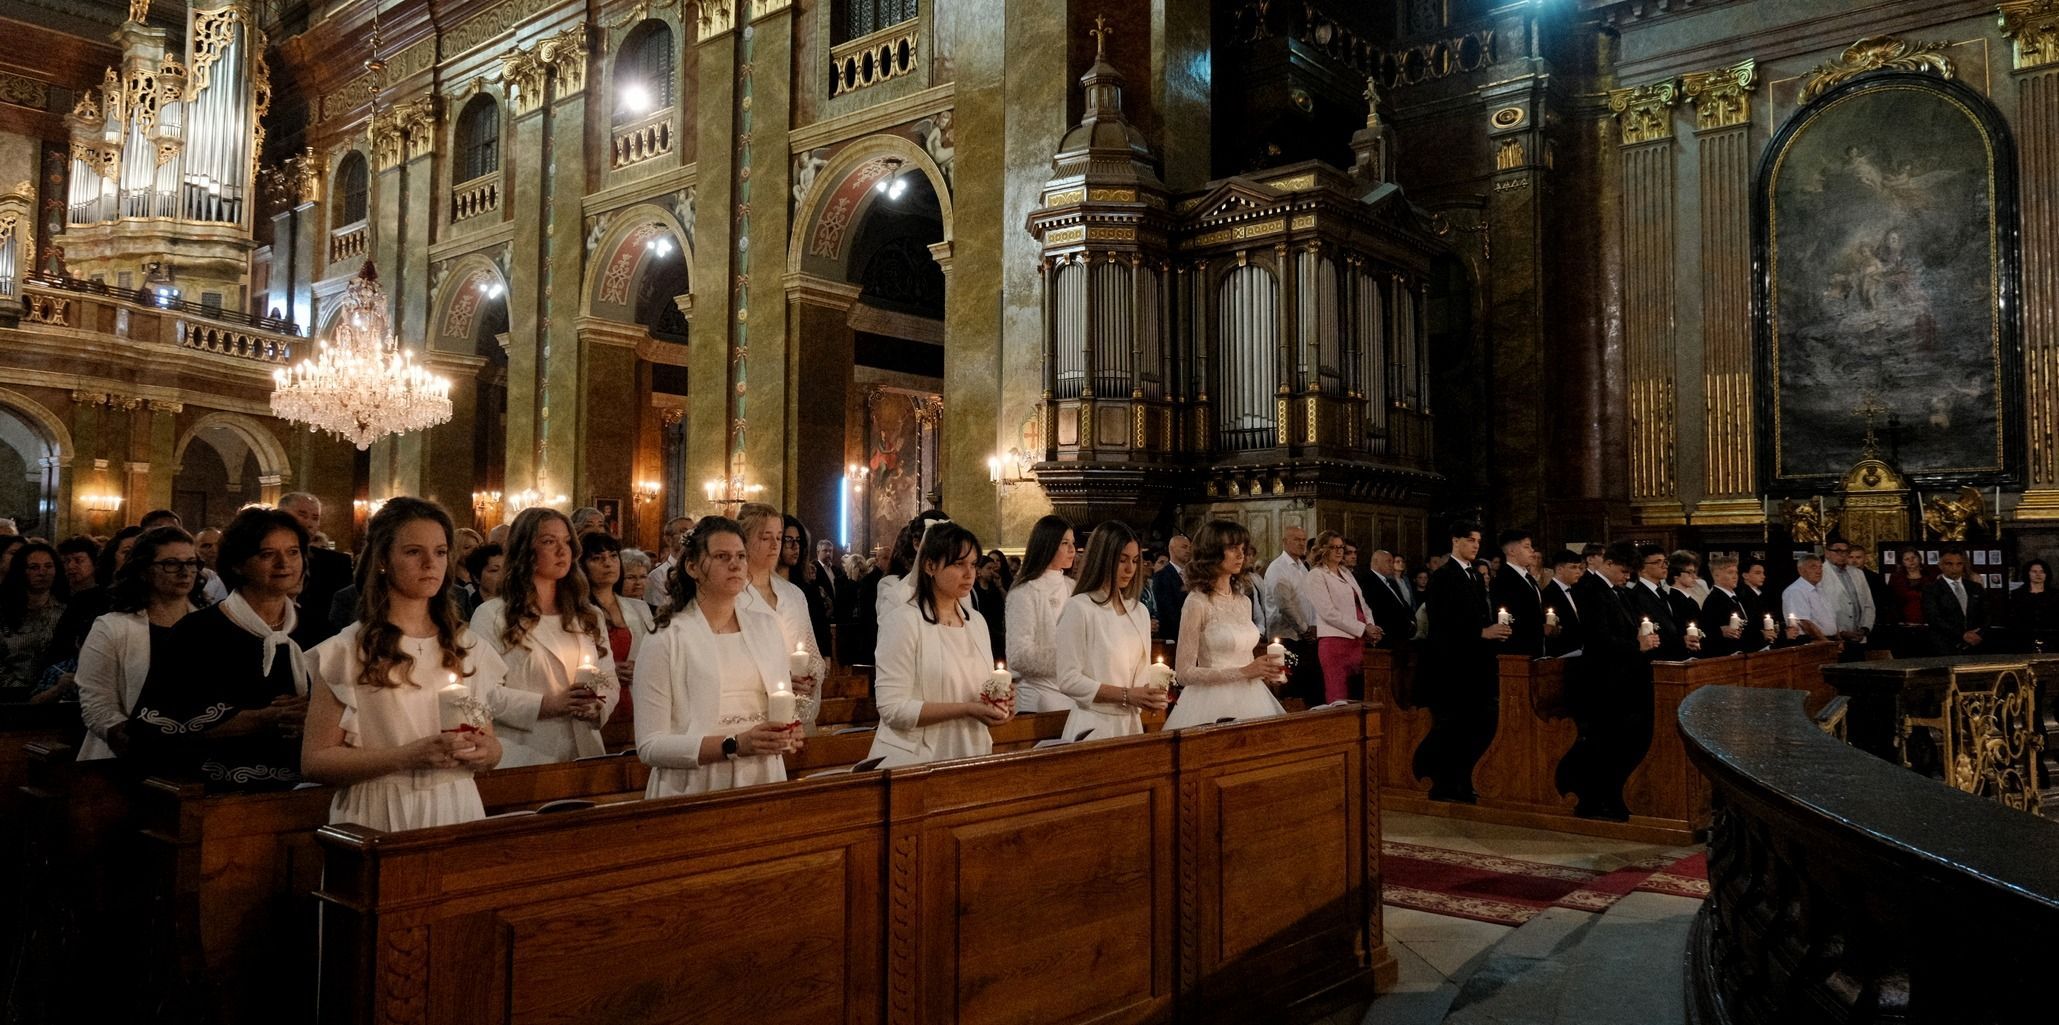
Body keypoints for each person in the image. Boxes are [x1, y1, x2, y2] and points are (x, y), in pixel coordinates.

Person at [302, 498, 505, 831]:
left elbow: (489, 745)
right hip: (378, 810)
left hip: (456, 804)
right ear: (383, 559)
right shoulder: (347, 650)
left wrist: (486, 751)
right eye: (414, 552)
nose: (430, 563)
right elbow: (315, 761)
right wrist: (407, 755)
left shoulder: (469, 646)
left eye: (440, 552)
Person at [126, 507, 312, 791]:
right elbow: (154, 727)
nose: (284, 564)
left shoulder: (318, 629)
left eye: (293, 552)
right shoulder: (198, 632)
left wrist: (314, 715)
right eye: (267, 554)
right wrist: (260, 719)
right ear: (238, 564)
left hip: (310, 786)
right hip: (217, 788)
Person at [632, 516, 803, 796]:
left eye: (740, 556)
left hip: (761, 777)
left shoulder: (766, 627)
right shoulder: (667, 637)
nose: (735, 565)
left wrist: (788, 730)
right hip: (694, 783)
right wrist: (734, 745)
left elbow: (779, 702)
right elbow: (650, 745)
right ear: (692, 567)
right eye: (722, 556)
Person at [470, 508, 615, 766]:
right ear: (525, 550)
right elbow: (483, 692)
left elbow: (608, 677)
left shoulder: (588, 614)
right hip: (524, 752)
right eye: (549, 542)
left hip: (584, 750)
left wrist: (597, 706)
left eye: (567, 542)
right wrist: (547, 704)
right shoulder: (492, 615)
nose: (562, 551)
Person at [867, 521, 1011, 766]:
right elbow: (892, 708)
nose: (970, 574)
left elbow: (980, 688)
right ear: (930, 565)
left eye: (974, 564)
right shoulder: (903, 621)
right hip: (916, 758)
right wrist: (966, 709)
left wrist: (999, 700)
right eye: (958, 564)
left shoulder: (976, 622)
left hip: (970, 750)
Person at [74, 526, 203, 760]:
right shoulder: (113, 627)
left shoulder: (208, 625)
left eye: (191, 563)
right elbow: (96, 701)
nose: (185, 572)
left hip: (196, 750)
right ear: (144, 570)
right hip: (124, 755)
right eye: (171, 563)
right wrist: (124, 734)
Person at [1556, 542, 1662, 821]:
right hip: (1603, 682)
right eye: (1624, 571)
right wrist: (1636, 645)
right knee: (1604, 744)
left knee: (1622, 743)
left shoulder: (1616, 592)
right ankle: (1598, 801)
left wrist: (1645, 637)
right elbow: (1597, 639)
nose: (1627, 577)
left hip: (1625, 679)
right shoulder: (1590, 590)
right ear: (1610, 563)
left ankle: (1618, 796)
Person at [1413, 521, 1510, 802]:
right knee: (1451, 726)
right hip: (1450, 665)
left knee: (1471, 726)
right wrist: (1481, 632)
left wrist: (1495, 629)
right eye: (1470, 540)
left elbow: (1478, 613)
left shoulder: (1475, 576)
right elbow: (1442, 621)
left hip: (1473, 663)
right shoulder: (1443, 576)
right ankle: (1445, 784)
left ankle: (1465, 780)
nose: (1476, 545)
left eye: (1478, 540)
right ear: (1455, 541)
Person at [1054, 523, 1170, 741]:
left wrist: (1151, 695)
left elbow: (1141, 673)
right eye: (1122, 560)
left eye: (1135, 560)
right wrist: (1126, 695)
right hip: (1093, 725)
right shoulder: (1080, 608)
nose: (1130, 569)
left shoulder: (1139, 611)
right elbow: (1068, 679)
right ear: (1103, 558)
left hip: (1130, 725)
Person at [1165, 520, 1286, 729]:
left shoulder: (1243, 601)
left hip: (1252, 695)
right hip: (1210, 700)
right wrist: (1244, 672)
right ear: (1212, 551)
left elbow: (1245, 656)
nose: (1241, 555)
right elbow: (1184, 673)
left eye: (1242, 549)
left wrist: (1265, 671)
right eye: (1232, 548)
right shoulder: (1197, 602)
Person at [735, 504, 825, 726]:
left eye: (778, 536)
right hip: (752, 714)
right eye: (766, 538)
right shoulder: (734, 595)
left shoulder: (792, 594)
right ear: (744, 540)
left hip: (796, 709)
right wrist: (779, 678)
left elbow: (811, 652)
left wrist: (811, 678)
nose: (775, 545)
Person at [1005, 515, 1077, 715]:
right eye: (1064, 543)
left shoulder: (1072, 587)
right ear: (1047, 545)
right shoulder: (1025, 592)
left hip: (1071, 688)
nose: (1072, 550)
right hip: (1037, 694)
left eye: (1073, 543)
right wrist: (1071, 659)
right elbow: (1019, 655)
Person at [581, 532, 655, 714]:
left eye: (613, 556)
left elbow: (654, 652)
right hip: (595, 701)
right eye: (597, 558)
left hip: (638, 698)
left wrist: (641, 667)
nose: (608, 563)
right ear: (582, 566)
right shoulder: (577, 610)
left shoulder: (639, 608)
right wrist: (608, 672)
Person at [1304, 530, 1379, 703]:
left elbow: (1362, 603)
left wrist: (1371, 626)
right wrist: (1362, 628)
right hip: (1335, 643)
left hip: (1357, 642)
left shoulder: (1346, 572)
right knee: (1339, 696)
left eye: (1341, 547)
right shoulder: (1316, 575)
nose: (1339, 551)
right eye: (1333, 547)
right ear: (1323, 549)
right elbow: (1328, 612)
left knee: (1358, 695)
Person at [279, 493, 353, 650]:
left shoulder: (337, 563)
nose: (309, 523)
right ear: (281, 515)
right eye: (302, 515)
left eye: (315, 518)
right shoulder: (264, 557)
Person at [0, 540, 68, 695]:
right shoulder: (4, 612)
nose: (42, 573)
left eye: (48, 566)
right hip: (11, 694)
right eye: (34, 567)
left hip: (58, 693)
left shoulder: (65, 610)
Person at [782, 515, 836, 663]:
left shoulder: (807, 587)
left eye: (798, 541)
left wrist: (826, 653)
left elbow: (819, 621)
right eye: (788, 540)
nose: (795, 546)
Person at [1490, 529, 1547, 658]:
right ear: (1512, 551)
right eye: (1526, 546)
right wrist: (1539, 628)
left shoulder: (1528, 577)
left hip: (1536, 647)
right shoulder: (1503, 579)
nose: (1532, 550)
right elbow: (1510, 616)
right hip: (1517, 650)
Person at [1923, 548, 1988, 654]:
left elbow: (1987, 614)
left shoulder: (1975, 587)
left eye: (1959, 564)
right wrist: (1962, 634)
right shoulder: (1932, 589)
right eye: (1949, 564)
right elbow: (1934, 618)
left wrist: (1980, 633)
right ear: (1941, 565)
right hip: (1946, 646)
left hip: (1975, 645)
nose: (1955, 568)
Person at [1818, 539, 1876, 656]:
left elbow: (1868, 604)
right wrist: (1839, 632)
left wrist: (1865, 628)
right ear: (1827, 552)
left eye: (1846, 551)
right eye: (1838, 551)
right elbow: (1819, 608)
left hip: (1858, 637)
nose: (1843, 555)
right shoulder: (1820, 573)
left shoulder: (1858, 573)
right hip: (1834, 639)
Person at [1696, 556, 1754, 658]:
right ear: (1716, 576)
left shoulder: (1736, 597)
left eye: (1736, 572)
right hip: (1727, 656)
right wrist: (1720, 632)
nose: (1735, 576)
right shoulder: (1714, 600)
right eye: (1730, 572)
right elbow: (1707, 630)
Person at [1781, 555, 1836, 644]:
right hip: (1813, 643)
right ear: (1801, 570)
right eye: (1813, 567)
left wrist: (1838, 638)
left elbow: (1830, 618)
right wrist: (1827, 642)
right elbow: (1803, 622)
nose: (1819, 571)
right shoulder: (1795, 591)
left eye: (1820, 567)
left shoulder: (1820, 589)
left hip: (1830, 640)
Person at [1540, 549, 1585, 656]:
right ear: (1559, 569)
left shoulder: (1577, 591)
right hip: (1561, 654)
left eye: (1579, 567)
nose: (1578, 571)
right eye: (1573, 567)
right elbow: (1552, 629)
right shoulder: (1548, 594)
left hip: (1580, 651)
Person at [1886, 549, 1931, 654]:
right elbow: (1891, 601)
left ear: (1919, 558)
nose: (1911, 561)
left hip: (1927, 625)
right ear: (1902, 562)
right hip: (1903, 625)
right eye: (1907, 559)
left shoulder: (1930, 577)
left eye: (1913, 557)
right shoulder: (1896, 578)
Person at [2011, 558, 2059, 652]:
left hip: (2052, 639)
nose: (2038, 575)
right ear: (2028, 573)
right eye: (2034, 571)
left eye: (2042, 572)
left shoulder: (2055, 595)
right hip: (2024, 639)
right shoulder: (2017, 595)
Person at [1151, 533, 1191, 644]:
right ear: (1172, 549)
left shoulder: (1194, 576)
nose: (1188, 550)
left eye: (1189, 548)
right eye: (1184, 547)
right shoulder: (1162, 576)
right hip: (1174, 637)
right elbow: (1167, 610)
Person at [973, 552, 1008, 655]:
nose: (992, 572)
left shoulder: (995, 589)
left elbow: (1008, 604)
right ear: (979, 570)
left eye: (993, 569)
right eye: (988, 568)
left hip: (997, 636)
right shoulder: (973, 590)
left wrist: (1000, 587)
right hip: (981, 635)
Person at [1664, 551, 1703, 637]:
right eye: (1689, 572)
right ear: (1676, 575)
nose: (1694, 577)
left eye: (1694, 572)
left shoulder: (1687, 599)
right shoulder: (1676, 600)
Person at [462, 541, 506, 616]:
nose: (503, 575)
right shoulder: (468, 610)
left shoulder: (515, 606)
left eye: (506, 569)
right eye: (494, 570)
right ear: (476, 577)